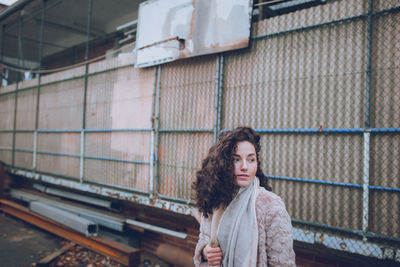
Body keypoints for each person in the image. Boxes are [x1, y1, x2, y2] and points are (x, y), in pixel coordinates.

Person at [192, 126, 296, 266]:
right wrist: (206, 251)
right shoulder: (215, 198)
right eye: (236, 159)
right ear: (224, 164)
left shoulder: (271, 207)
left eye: (251, 160)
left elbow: (283, 263)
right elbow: (204, 238)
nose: (245, 167)